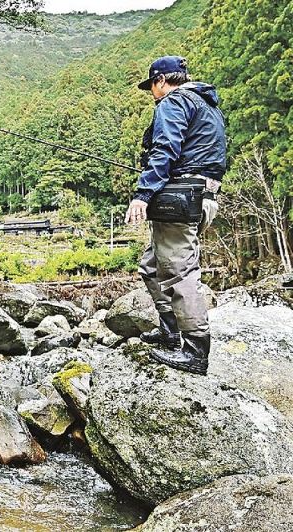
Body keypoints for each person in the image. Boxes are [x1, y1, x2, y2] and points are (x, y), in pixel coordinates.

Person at [124, 56, 226, 375]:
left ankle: (195, 350)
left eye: (151, 86)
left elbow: (165, 150)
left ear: (161, 81)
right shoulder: (207, 104)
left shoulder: (173, 102)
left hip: (181, 195)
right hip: (205, 196)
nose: (152, 93)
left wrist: (143, 194)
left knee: (179, 270)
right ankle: (171, 331)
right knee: (151, 264)